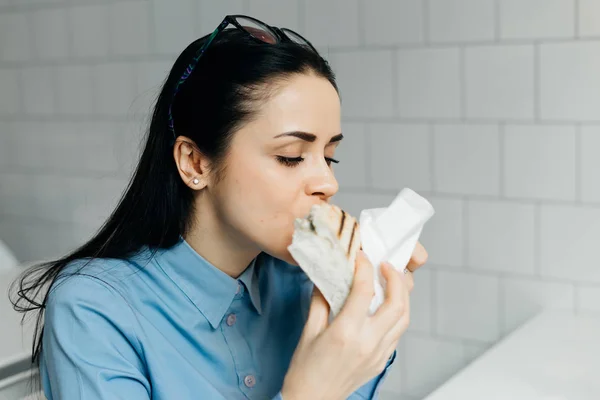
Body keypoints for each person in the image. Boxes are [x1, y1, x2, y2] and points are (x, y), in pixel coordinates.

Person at [11, 15, 428, 399]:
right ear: (195, 162)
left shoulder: (305, 285)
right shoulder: (95, 308)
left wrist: (367, 313)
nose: (328, 183)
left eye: (329, 156)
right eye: (291, 156)